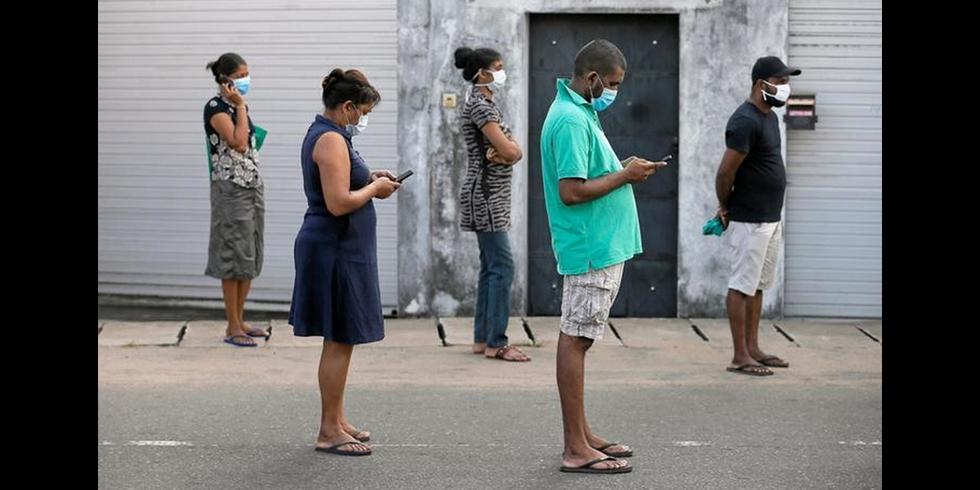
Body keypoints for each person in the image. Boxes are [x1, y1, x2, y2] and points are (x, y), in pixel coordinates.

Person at [540, 39, 667, 474]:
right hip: (591, 247)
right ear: (592, 78)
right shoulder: (572, 119)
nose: (615, 91)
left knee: (581, 337)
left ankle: (583, 433)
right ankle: (575, 448)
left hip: (600, 245)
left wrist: (624, 168)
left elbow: (591, 173)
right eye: (611, 83)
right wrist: (626, 175)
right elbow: (571, 191)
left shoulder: (581, 113)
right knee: (576, 339)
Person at [288, 68, 400, 456]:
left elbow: (346, 182)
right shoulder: (330, 139)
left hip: (342, 248)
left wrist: (372, 176)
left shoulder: (334, 136)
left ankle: (337, 418)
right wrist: (374, 189)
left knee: (344, 337)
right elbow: (337, 203)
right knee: (338, 337)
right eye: (363, 111)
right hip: (333, 249)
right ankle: (328, 430)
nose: (364, 119)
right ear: (347, 106)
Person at [714, 56, 801, 376]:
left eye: (785, 82)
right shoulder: (745, 120)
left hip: (770, 218)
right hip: (749, 219)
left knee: (758, 286)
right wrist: (725, 206)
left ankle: (754, 348)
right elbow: (725, 173)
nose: (784, 88)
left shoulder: (769, 117)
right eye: (779, 82)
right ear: (760, 84)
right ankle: (740, 356)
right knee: (741, 286)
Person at [453, 46, 529, 362]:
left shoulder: (484, 104)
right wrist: (511, 150)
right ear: (482, 73)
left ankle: (483, 339)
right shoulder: (481, 108)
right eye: (497, 67)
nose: (501, 72)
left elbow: (510, 150)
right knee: (502, 266)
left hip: (488, 193)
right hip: (485, 195)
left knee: (491, 267)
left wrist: (510, 150)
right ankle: (497, 342)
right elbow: (510, 152)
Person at [203, 52, 269, 347]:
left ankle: (241, 320)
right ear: (224, 80)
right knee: (232, 257)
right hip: (230, 190)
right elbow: (239, 143)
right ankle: (232, 327)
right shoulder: (216, 108)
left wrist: (241, 107)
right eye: (240, 75)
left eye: (247, 74)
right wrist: (241, 107)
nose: (245, 80)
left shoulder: (237, 106)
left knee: (249, 255)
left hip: (250, 188)